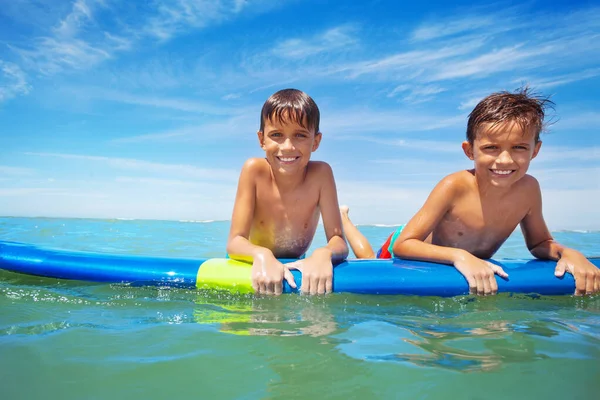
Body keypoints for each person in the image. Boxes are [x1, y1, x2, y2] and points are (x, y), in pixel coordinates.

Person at [343, 88, 600, 296]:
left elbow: (539, 243)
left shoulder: (529, 189)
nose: (505, 160)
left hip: (447, 252)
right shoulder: (455, 185)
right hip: (410, 241)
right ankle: (345, 220)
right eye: (491, 148)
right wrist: (460, 256)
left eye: (519, 147)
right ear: (469, 151)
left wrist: (568, 253)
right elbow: (404, 245)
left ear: (535, 150)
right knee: (366, 257)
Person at [227, 88, 349, 295]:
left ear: (316, 141)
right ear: (261, 139)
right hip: (254, 262)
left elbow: (338, 241)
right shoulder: (254, 171)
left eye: (300, 135)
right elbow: (235, 242)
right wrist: (262, 255)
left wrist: (324, 254)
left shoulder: (321, 174)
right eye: (276, 135)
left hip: (295, 266)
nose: (288, 146)